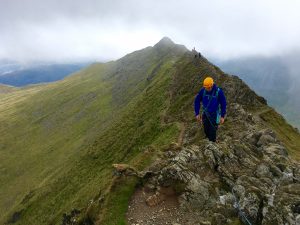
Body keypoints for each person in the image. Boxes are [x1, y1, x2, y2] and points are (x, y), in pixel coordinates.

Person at [194, 77, 227, 142]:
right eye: (206, 87)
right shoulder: (202, 91)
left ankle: (212, 143)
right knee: (206, 130)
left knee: (212, 132)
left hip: (214, 115)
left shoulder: (218, 92)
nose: (208, 89)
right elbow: (197, 101)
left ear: (212, 85)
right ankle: (208, 140)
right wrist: (197, 113)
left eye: (209, 87)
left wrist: (222, 116)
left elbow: (223, 104)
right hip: (205, 114)